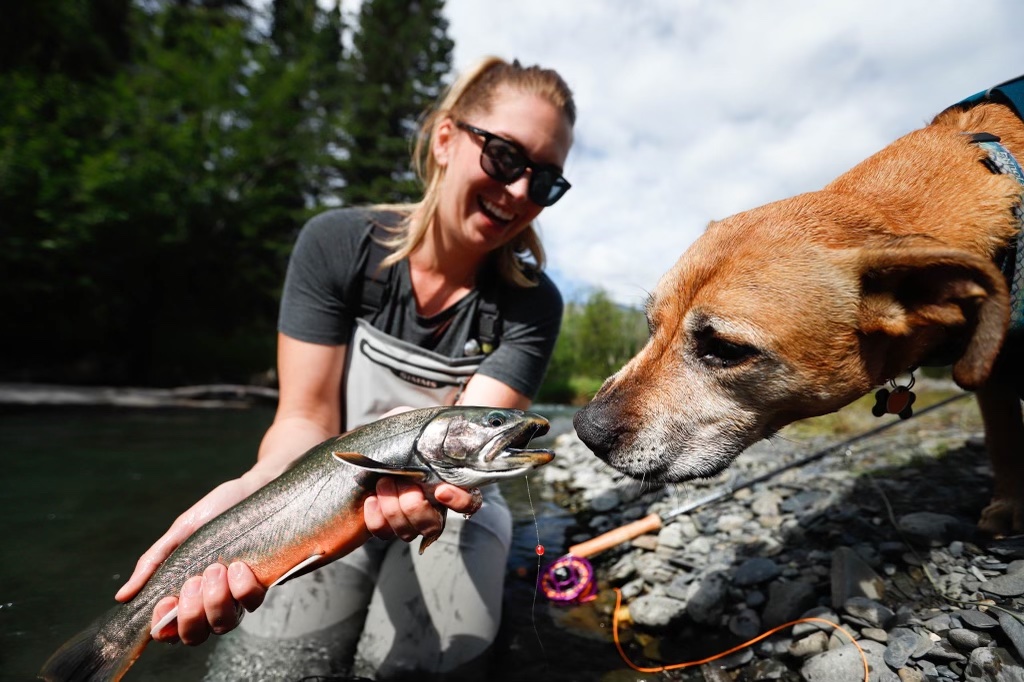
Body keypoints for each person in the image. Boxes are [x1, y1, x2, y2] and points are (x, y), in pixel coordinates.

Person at [114, 55, 576, 680]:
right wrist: (255, 489)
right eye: (504, 157)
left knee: (420, 668)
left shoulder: (532, 304)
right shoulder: (337, 246)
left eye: (545, 181)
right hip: (323, 493)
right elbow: (304, 421)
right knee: (269, 668)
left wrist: (433, 488)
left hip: (454, 501)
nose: (521, 191)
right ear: (445, 139)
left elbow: (469, 450)